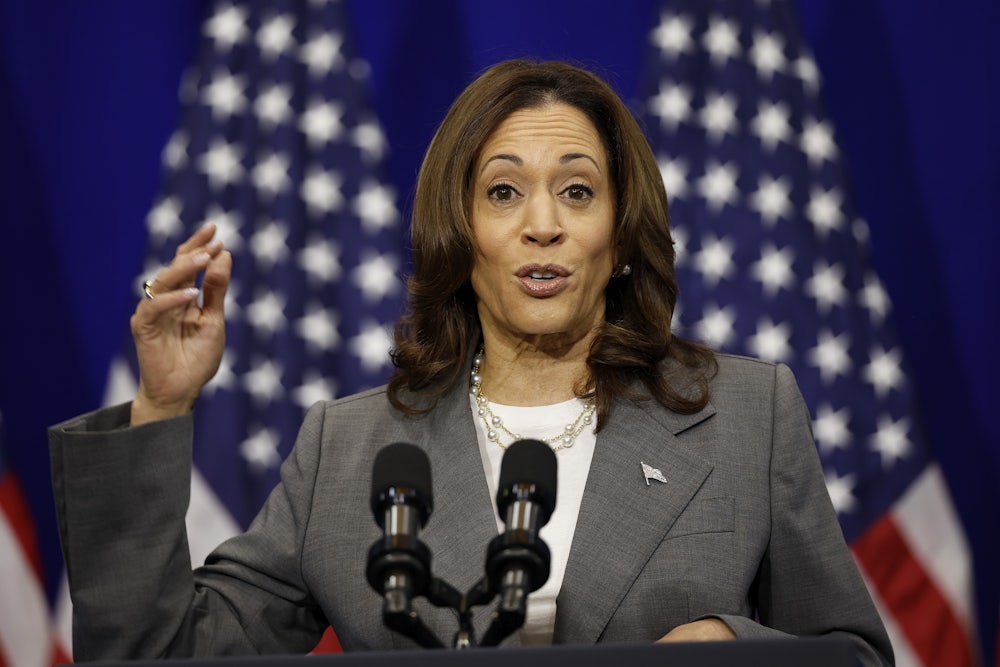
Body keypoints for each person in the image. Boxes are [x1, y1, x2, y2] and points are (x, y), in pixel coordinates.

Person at [49, 59, 893, 664]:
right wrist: (162, 405)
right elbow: (156, 655)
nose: (542, 224)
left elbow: (855, 653)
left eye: (577, 190)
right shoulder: (348, 448)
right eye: (502, 191)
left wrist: (731, 646)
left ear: (623, 238)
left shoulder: (746, 414)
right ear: (461, 234)